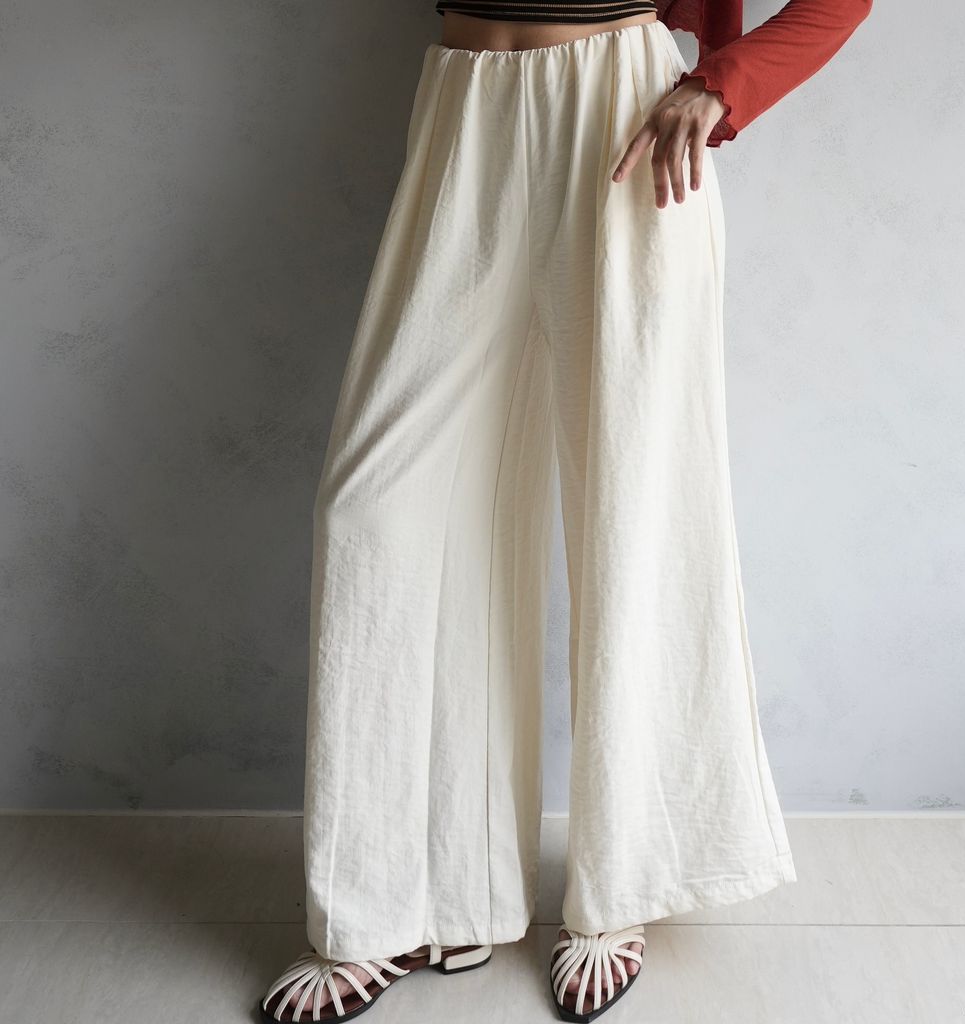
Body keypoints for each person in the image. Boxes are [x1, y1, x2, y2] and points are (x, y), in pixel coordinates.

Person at [258, 1, 872, 1021]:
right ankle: (417, 894)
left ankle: (623, 887)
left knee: (633, 505)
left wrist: (722, 84)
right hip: (461, 107)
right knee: (377, 512)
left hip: (619, 113)